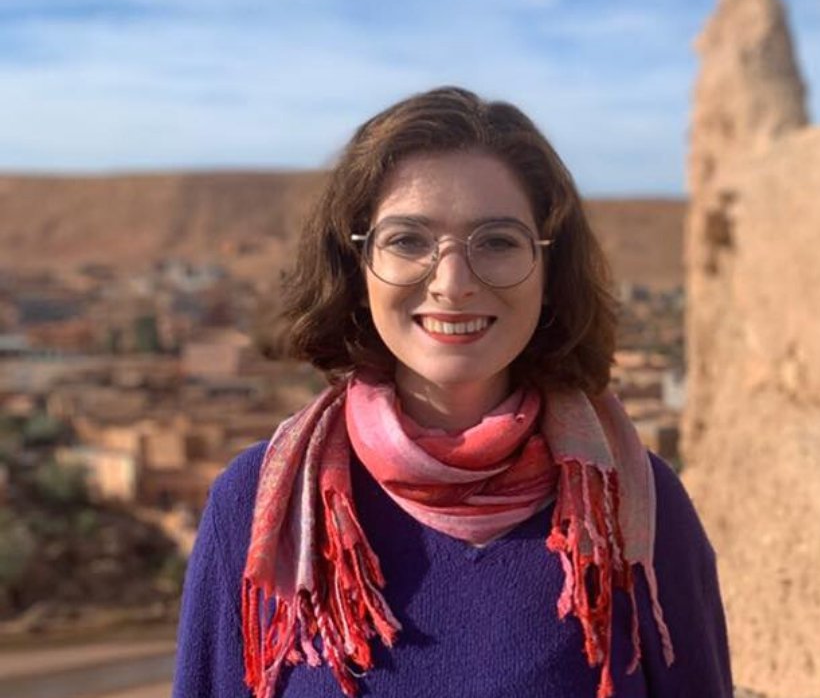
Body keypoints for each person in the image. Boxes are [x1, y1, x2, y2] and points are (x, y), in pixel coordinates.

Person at [172, 86, 733, 698]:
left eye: (497, 241)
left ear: (549, 270)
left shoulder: (635, 508)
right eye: (408, 240)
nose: (453, 282)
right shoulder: (260, 506)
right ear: (357, 266)